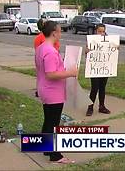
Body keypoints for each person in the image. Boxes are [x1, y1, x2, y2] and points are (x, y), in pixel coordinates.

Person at [35, 20, 77, 163]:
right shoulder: (50, 51)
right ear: (54, 33)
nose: (61, 33)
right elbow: (51, 74)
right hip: (53, 92)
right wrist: (70, 72)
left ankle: (46, 148)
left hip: (45, 89)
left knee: (48, 120)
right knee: (54, 123)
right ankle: (55, 155)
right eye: (60, 31)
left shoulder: (41, 48)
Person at [86, 24, 111, 116]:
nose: (101, 33)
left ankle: (102, 106)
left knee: (102, 88)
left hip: (104, 68)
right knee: (94, 88)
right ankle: (90, 107)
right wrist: (87, 51)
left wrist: (116, 49)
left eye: (103, 31)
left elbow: (112, 52)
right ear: (95, 31)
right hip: (95, 69)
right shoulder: (91, 40)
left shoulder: (108, 41)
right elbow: (87, 55)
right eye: (99, 31)